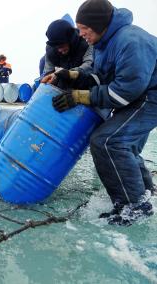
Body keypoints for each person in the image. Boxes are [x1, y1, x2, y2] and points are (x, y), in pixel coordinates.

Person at [52, 0, 157, 225]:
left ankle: (134, 205)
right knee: (125, 145)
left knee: (108, 141)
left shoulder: (130, 41)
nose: (81, 35)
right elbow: (101, 76)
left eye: (84, 30)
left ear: (99, 26)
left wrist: (81, 96)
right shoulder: (104, 43)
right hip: (137, 96)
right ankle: (147, 191)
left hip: (150, 98)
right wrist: (73, 75)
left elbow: (124, 92)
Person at [40, 19, 93, 89]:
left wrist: (70, 74)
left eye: (61, 45)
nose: (59, 50)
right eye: (56, 47)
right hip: (62, 89)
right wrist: (51, 78)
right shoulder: (50, 51)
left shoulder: (86, 43)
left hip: (85, 86)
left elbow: (89, 65)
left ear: (71, 39)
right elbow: (48, 71)